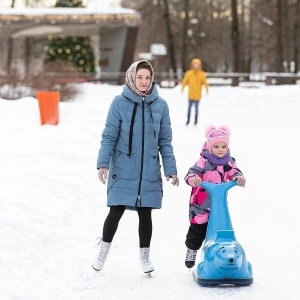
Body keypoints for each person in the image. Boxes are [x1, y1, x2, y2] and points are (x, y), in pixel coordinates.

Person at [92, 60, 179, 274]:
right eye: (139, 77)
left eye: (147, 78)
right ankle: (103, 250)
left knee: (145, 213)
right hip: (123, 167)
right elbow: (109, 135)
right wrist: (103, 164)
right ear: (132, 77)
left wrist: (170, 168)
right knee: (116, 210)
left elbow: (165, 141)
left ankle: (145, 256)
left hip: (148, 169)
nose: (143, 81)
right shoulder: (119, 103)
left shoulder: (160, 105)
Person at [183, 124, 246, 268]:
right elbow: (190, 174)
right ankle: (192, 250)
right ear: (209, 146)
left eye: (223, 146)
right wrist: (195, 179)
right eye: (216, 146)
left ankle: (221, 256)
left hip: (219, 206)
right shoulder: (203, 161)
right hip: (200, 204)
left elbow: (234, 171)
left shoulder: (229, 161)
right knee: (198, 229)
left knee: (221, 230)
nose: (220, 150)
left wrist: (238, 177)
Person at [181, 58, 209, 125]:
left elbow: (205, 82)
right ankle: (188, 120)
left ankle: (196, 120)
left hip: (198, 94)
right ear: (192, 65)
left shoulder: (201, 74)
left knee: (196, 108)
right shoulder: (189, 73)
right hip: (190, 94)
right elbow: (185, 81)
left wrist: (207, 89)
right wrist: (182, 87)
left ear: (199, 65)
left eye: (197, 65)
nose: (196, 66)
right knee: (189, 107)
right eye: (194, 64)